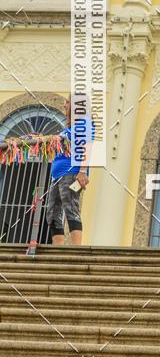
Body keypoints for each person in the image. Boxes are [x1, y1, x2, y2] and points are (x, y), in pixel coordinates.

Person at [46, 93, 94, 246]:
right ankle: (58, 250)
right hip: (57, 176)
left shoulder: (85, 124)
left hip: (71, 172)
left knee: (70, 208)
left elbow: (87, 147)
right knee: (52, 214)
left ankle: (76, 249)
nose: (64, 105)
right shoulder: (69, 128)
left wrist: (82, 171)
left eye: (67, 102)